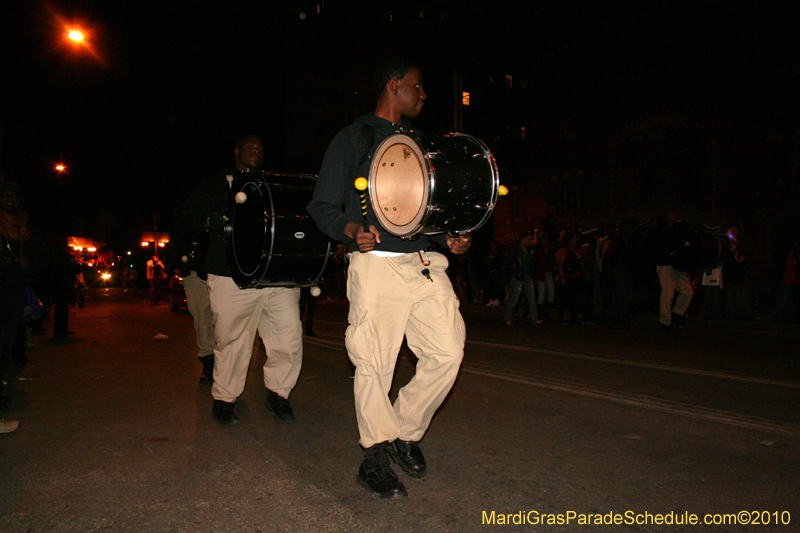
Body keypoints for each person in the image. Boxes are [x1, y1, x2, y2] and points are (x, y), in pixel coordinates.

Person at [308, 58, 471, 500]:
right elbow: (321, 206)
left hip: (422, 261)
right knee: (374, 362)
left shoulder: (419, 144)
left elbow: (421, 212)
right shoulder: (353, 138)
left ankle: (403, 431)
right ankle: (375, 455)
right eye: (417, 86)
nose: (423, 94)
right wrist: (350, 230)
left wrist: (448, 238)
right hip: (376, 262)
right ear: (394, 85)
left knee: (447, 351)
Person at [174, 135, 303, 426]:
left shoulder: (271, 185)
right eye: (250, 146)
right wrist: (209, 220)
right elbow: (183, 217)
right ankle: (225, 398)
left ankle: (279, 394)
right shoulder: (216, 185)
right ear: (236, 151)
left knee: (288, 337)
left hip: (275, 277)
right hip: (231, 275)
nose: (257, 149)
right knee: (232, 341)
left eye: (261, 147)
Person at [651, 207, 694, 332]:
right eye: (672, 214)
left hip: (678, 264)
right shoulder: (660, 230)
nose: (675, 216)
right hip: (665, 264)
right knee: (667, 292)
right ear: (666, 216)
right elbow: (657, 247)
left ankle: (676, 313)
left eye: (676, 214)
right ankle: (665, 321)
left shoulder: (679, 229)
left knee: (687, 290)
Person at [504, 231, 539, 326]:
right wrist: (517, 271)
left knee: (532, 298)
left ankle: (534, 319)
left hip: (528, 276)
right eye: (528, 240)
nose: (529, 242)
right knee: (515, 298)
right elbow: (508, 263)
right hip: (518, 278)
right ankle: (508, 317)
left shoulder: (529, 250)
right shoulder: (516, 250)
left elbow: (532, 263)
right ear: (522, 240)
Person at [556, 230, 585, 325]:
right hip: (568, 276)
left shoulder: (577, 250)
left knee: (575, 298)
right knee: (566, 298)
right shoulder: (564, 250)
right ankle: (560, 316)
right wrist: (562, 276)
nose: (576, 240)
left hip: (576, 276)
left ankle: (573, 317)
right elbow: (560, 264)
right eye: (574, 238)